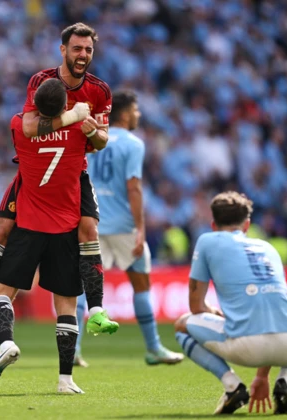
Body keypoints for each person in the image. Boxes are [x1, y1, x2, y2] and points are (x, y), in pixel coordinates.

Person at [0, 22, 118, 335]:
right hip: (35, 173)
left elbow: (102, 140)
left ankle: (97, 311)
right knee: (4, 228)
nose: (83, 54)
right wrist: (72, 117)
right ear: (63, 50)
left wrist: (94, 133)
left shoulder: (99, 91)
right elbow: (30, 126)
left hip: (74, 172)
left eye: (88, 49)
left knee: (88, 229)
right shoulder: (42, 81)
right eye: (77, 48)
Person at [0, 79, 94, 393]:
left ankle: (6, 343)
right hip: (65, 227)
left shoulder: (18, 126)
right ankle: (65, 380)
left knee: (1, 293)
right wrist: (78, 118)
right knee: (67, 306)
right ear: (64, 107)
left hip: (29, 224)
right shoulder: (78, 129)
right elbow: (96, 143)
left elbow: (32, 127)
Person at [173, 191, 287, 415]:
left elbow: (196, 307)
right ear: (247, 225)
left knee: (182, 325)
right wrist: (262, 376)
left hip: (246, 346)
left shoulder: (207, 241)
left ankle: (232, 386)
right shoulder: (269, 248)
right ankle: (284, 381)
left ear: (213, 224)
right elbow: (273, 308)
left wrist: (215, 313)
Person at [74, 90, 183, 367]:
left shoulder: (91, 138)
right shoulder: (133, 144)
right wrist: (141, 228)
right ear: (124, 114)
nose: (139, 115)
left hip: (90, 221)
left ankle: (72, 350)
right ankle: (153, 348)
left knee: (78, 288)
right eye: (135, 110)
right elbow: (133, 186)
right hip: (123, 225)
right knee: (141, 284)